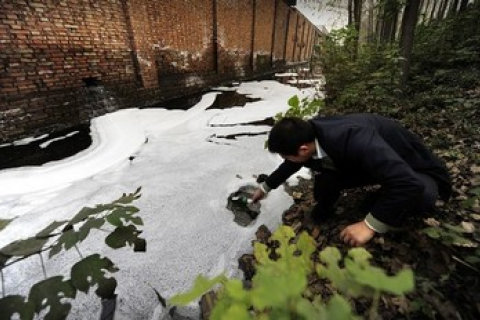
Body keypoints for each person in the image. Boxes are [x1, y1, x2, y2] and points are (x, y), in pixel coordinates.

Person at [252, 114, 451, 246]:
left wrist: (370, 226)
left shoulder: (356, 140)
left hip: (414, 169)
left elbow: (408, 182)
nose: (288, 161)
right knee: (325, 182)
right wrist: (266, 187)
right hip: (371, 164)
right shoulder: (309, 133)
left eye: (287, 156)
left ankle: (380, 201)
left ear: (304, 149)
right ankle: (335, 208)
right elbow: (292, 162)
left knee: (421, 196)